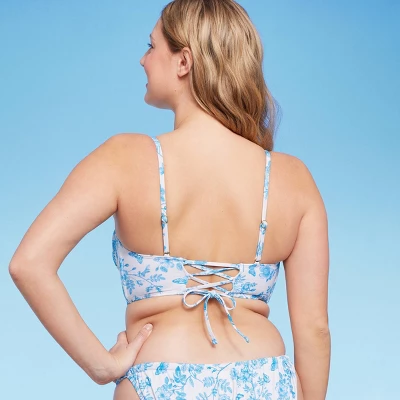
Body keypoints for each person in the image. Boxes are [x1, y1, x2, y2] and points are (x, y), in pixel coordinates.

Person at [9, 0, 330, 399]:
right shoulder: (293, 178)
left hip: (158, 380)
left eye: (151, 46)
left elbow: (29, 264)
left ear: (184, 62)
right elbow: (314, 328)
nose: (143, 60)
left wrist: (102, 365)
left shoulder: (124, 158)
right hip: (266, 378)